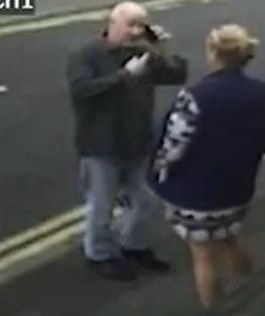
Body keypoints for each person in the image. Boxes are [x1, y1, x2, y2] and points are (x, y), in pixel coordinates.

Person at [149, 24, 265, 307]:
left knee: (202, 255)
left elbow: (174, 146)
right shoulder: (263, 92)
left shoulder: (196, 96)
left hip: (196, 194)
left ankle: (210, 306)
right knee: (229, 236)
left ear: (213, 54)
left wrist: (159, 171)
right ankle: (248, 282)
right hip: (237, 188)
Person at [66, 1, 187, 281]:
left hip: (137, 142)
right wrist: (124, 76)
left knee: (145, 201)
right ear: (112, 24)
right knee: (102, 206)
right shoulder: (86, 55)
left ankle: (133, 246)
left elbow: (177, 75)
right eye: (130, 25)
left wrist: (161, 49)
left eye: (140, 26)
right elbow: (81, 90)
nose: (135, 32)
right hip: (101, 145)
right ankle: (99, 255)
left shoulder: (144, 53)